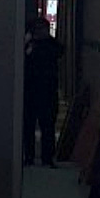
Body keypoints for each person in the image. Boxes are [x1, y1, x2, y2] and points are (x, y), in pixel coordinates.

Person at [22, 16, 64, 167]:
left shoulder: (51, 45)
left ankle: (46, 158)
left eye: (43, 29)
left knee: (47, 127)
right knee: (29, 127)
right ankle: (30, 157)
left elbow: (60, 51)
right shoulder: (29, 45)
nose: (40, 32)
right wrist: (27, 42)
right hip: (31, 92)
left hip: (47, 92)